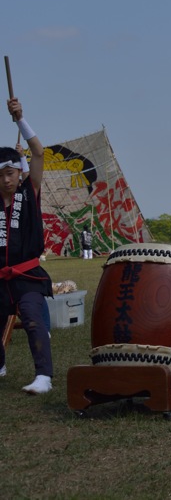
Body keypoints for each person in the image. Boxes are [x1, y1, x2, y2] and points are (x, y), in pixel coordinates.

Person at [0, 98, 55, 394]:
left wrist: (20, 118)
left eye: (10, 173)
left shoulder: (29, 191)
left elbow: (38, 152)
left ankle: (43, 377)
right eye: (0, 175)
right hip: (0, 278)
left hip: (27, 276)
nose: (6, 180)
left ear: (19, 172)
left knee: (34, 319)